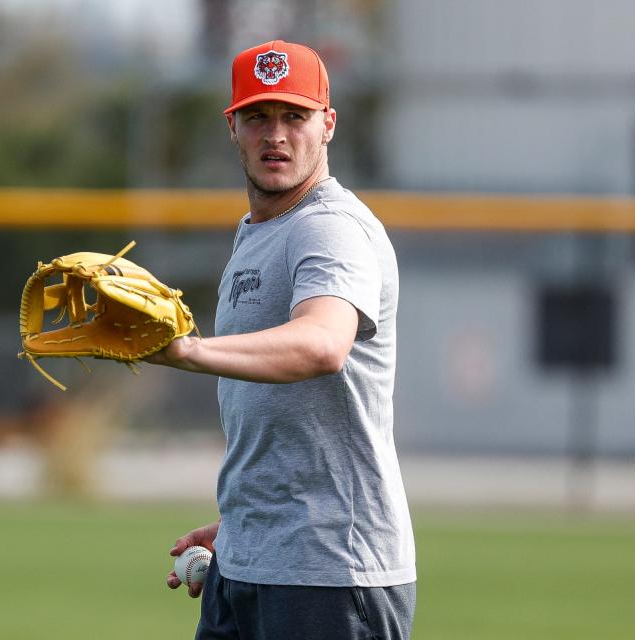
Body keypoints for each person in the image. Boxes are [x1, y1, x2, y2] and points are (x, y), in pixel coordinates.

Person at [147, 39, 416, 639]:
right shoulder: (260, 231)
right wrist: (246, 520)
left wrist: (184, 350)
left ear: (328, 126)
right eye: (258, 117)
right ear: (232, 127)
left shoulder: (330, 228)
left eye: (295, 116)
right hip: (252, 560)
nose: (276, 134)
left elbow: (322, 344)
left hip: (330, 573)